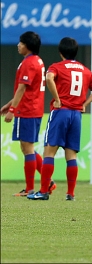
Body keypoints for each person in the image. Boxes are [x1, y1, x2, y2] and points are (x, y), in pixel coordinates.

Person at [27, 37, 92, 201]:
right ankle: (71, 194)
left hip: (61, 112)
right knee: (71, 156)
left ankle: (43, 191)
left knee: (49, 151)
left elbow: (48, 78)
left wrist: (57, 98)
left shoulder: (57, 66)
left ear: (60, 52)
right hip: (76, 115)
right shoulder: (84, 70)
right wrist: (85, 103)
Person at [1, 31, 56, 197]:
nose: (18, 45)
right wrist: (10, 104)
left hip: (27, 110)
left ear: (28, 46)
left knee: (27, 148)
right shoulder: (37, 61)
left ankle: (30, 188)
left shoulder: (29, 63)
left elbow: (23, 88)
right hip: (34, 108)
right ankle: (48, 183)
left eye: (21, 43)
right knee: (28, 147)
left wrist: (12, 109)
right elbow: (27, 89)